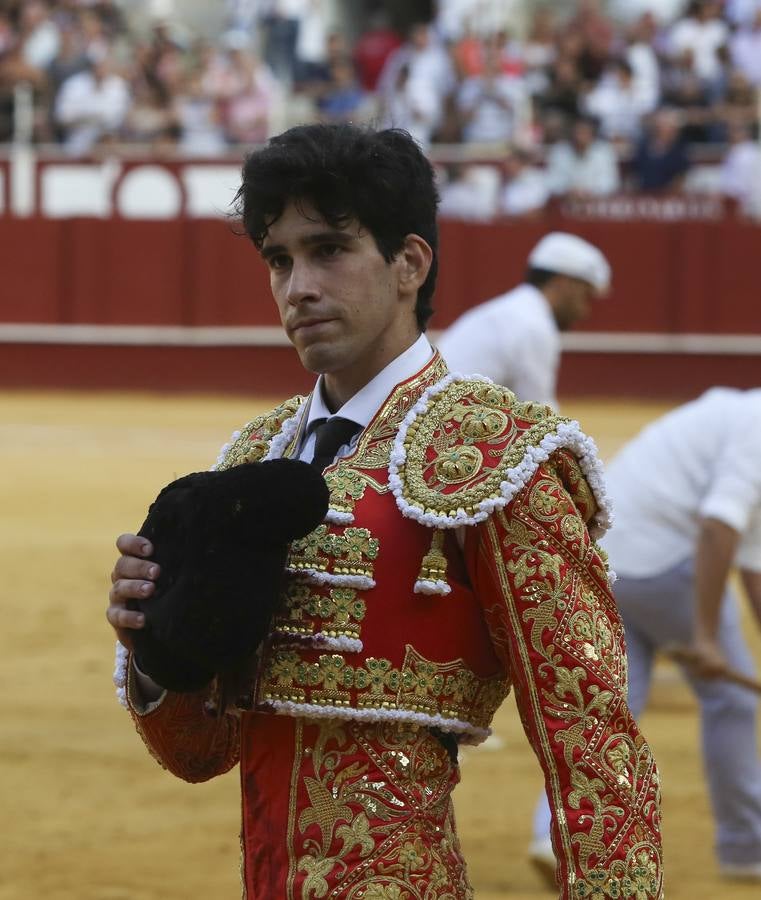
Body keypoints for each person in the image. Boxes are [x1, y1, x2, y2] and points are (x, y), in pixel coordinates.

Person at [106, 123, 662, 898]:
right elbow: (200, 752)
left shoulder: (494, 456)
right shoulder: (254, 457)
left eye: (328, 249)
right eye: (278, 258)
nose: (297, 287)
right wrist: (153, 648)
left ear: (408, 263)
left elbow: (593, 746)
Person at [532, 387, 761, 884]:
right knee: (731, 702)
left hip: (603, 556)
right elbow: (718, 528)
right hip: (663, 562)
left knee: (610, 705)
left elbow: (751, 565)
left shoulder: (736, 412)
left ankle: (555, 835)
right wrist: (705, 635)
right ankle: (747, 846)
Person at [436, 232, 611, 409]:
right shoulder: (534, 325)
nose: (585, 311)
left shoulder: (511, 310)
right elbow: (540, 416)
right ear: (564, 283)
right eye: (585, 296)